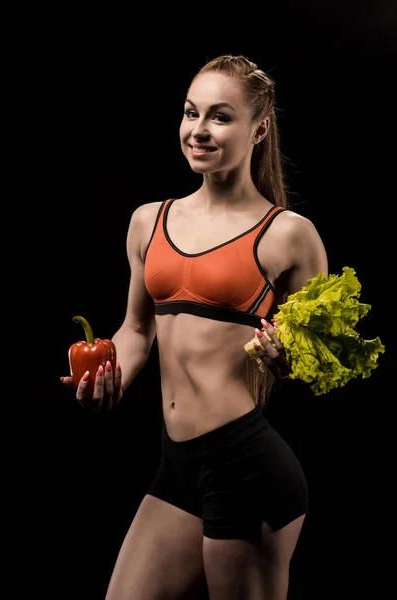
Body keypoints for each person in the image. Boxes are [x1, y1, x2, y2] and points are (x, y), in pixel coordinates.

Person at [61, 54, 328, 600]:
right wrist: (109, 378)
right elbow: (137, 331)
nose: (198, 131)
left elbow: (322, 357)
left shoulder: (289, 235)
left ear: (259, 128)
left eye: (220, 117)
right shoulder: (148, 220)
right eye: (190, 113)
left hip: (247, 465)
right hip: (178, 464)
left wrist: (291, 362)